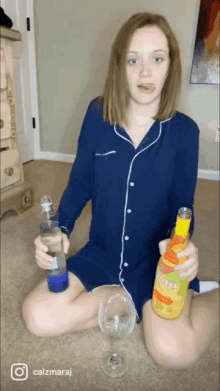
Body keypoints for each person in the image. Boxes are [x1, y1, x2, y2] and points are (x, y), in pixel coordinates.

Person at [21, 12, 219, 369]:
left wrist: (183, 246)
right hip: (103, 253)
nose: (145, 73)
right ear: (120, 65)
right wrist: (61, 230)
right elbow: (80, 181)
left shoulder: (185, 132)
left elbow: (182, 208)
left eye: (157, 58)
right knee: (37, 316)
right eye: (133, 60)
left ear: (170, 64)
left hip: (155, 264)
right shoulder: (98, 114)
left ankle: (213, 294)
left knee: (174, 352)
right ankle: (118, 296)